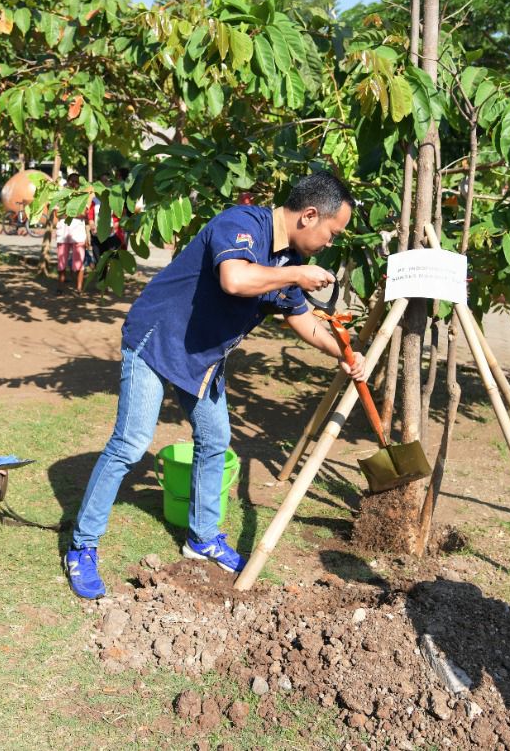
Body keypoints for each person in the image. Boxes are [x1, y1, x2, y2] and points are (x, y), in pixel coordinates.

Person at [65, 171, 366, 600]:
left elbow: (306, 323)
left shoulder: (286, 261)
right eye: (332, 233)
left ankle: (202, 537)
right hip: (159, 340)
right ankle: (82, 546)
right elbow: (235, 280)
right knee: (131, 443)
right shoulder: (241, 224)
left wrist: (348, 356)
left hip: (203, 356)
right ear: (310, 215)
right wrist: (296, 275)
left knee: (214, 439)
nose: (331, 243)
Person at [56, 172, 89, 294]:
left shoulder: (82, 197)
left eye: (76, 182)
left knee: (79, 263)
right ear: (68, 182)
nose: (74, 184)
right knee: (61, 263)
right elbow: (57, 213)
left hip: (78, 235)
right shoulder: (60, 196)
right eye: (72, 181)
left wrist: (68, 213)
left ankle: (79, 288)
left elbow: (85, 214)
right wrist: (75, 213)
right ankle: (60, 287)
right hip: (63, 234)